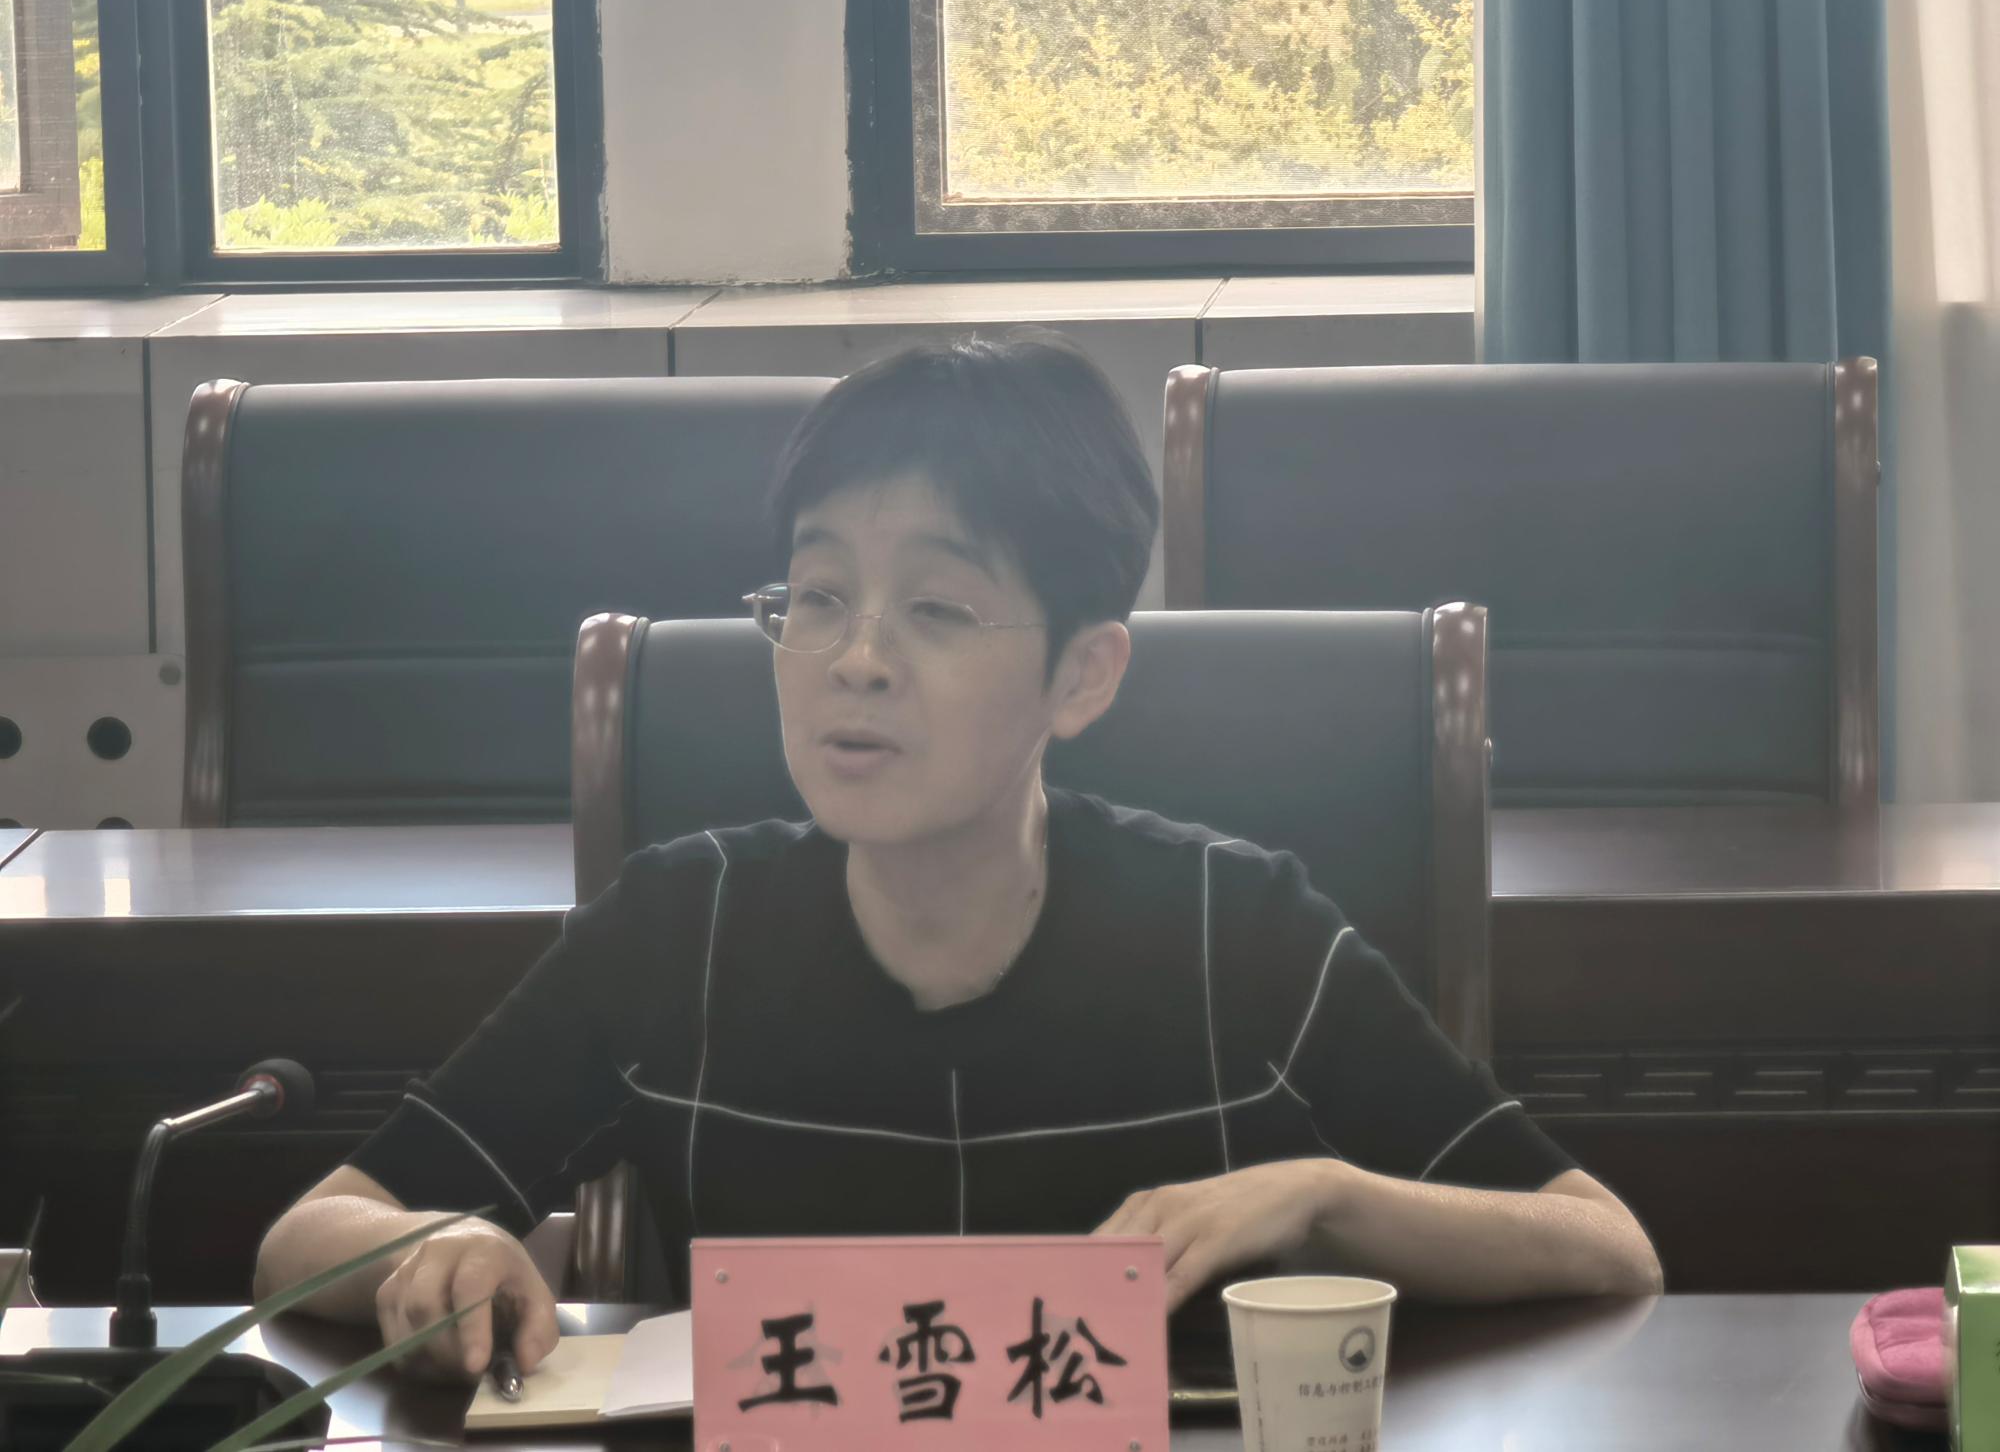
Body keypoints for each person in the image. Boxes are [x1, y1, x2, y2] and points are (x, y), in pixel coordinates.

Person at [253, 333, 1662, 1383]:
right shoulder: (679, 928)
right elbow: (307, 1235)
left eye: (935, 608)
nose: (855, 659)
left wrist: (1325, 1197)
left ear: (1084, 675)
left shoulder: (1235, 931)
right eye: (817, 596)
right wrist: (431, 1248)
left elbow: (1606, 1246)